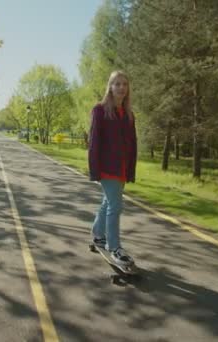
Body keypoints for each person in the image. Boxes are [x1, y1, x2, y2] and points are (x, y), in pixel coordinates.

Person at [88, 70, 138, 267]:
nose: (121, 88)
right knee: (115, 206)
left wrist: (131, 169)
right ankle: (114, 247)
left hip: (123, 167)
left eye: (124, 84)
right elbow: (94, 142)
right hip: (107, 167)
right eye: (117, 84)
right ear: (110, 86)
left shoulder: (128, 114)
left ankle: (98, 234)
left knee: (107, 203)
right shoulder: (100, 110)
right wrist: (95, 170)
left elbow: (132, 144)